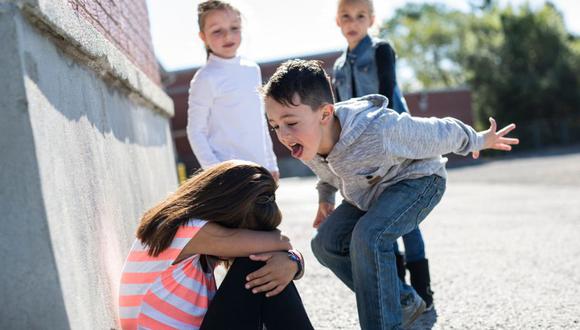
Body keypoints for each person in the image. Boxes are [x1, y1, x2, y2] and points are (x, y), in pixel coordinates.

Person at [262, 59, 518, 329]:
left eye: (290, 122)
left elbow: (439, 131)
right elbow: (326, 173)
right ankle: (403, 301)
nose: (283, 135)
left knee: (368, 236)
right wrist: (325, 198)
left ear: (325, 114)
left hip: (418, 181)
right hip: (369, 192)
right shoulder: (306, 140)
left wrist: (478, 140)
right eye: (275, 126)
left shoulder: (378, 129)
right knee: (325, 244)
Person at [118, 160, 314, 329]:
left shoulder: (187, 231)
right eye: (245, 231)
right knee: (257, 262)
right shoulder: (188, 229)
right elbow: (282, 242)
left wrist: (293, 261)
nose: (245, 238)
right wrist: (292, 258)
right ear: (229, 211)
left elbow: (282, 248)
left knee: (265, 264)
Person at [332, 0, 433, 309]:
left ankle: (422, 290)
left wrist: (388, 141)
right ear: (337, 21)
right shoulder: (337, 67)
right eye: (346, 16)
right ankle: (401, 291)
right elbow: (340, 112)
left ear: (371, 19)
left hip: (395, 142)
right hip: (361, 153)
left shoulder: (380, 50)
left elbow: (387, 94)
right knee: (378, 217)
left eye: (360, 16)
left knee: (406, 219)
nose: (353, 22)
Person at [187, 0, 279, 180]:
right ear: (203, 37)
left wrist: (271, 163)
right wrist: (215, 171)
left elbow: (260, 122)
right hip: (229, 176)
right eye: (217, 31)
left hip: (260, 170)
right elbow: (195, 131)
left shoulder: (252, 69)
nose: (227, 36)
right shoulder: (205, 78)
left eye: (234, 28)